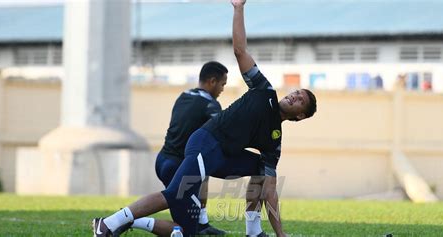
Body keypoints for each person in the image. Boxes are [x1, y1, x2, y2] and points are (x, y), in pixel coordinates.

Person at [92, 0, 317, 236]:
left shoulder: (274, 140)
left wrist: (280, 234)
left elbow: (270, 191)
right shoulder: (264, 91)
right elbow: (240, 50)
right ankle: (108, 223)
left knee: (188, 231)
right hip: (205, 143)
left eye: (300, 99)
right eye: (296, 92)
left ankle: (253, 231)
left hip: (220, 158)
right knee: (173, 195)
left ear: (300, 116)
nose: (294, 96)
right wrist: (238, 8)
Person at [127, 61, 228, 236]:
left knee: (204, 170)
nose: (222, 89)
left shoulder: (184, 95)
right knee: (184, 231)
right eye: (222, 84)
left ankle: (202, 224)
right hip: (177, 167)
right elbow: (223, 134)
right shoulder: (211, 105)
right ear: (212, 81)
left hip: (163, 160)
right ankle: (126, 220)